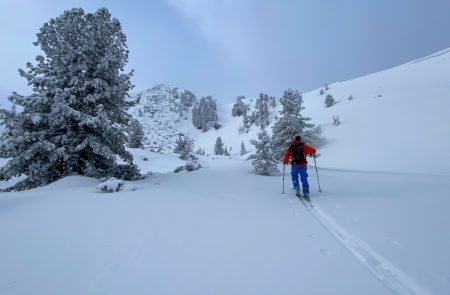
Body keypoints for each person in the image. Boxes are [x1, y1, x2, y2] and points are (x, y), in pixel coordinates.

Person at [283, 135, 317, 200]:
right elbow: (313, 151)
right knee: (304, 178)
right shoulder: (303, 146)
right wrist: (309, 152)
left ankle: (297, 187)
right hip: (303, 165)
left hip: (294, 165)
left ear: (294, 139)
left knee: (294, 177)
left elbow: (287, 154)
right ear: (300, 139)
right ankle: (306, 192)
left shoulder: (291, 147)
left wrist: (285, 161)